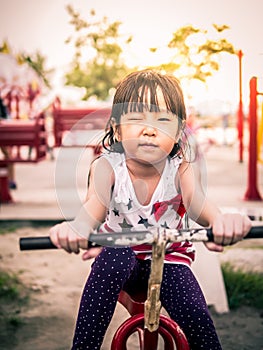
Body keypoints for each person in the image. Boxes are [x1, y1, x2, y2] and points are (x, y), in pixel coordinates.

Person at [50, 69, 251, 350]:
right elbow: (93, 208)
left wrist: (222, 221)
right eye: (136, 119)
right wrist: (79, 228)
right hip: (120, 260)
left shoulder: (180, 170)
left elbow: (200, 205)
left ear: (179, 131)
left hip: (169, 261)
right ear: (117, 129)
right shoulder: (107, 167)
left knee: (196, 317)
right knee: (114, 257)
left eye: (163, 120)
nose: (149, 129)